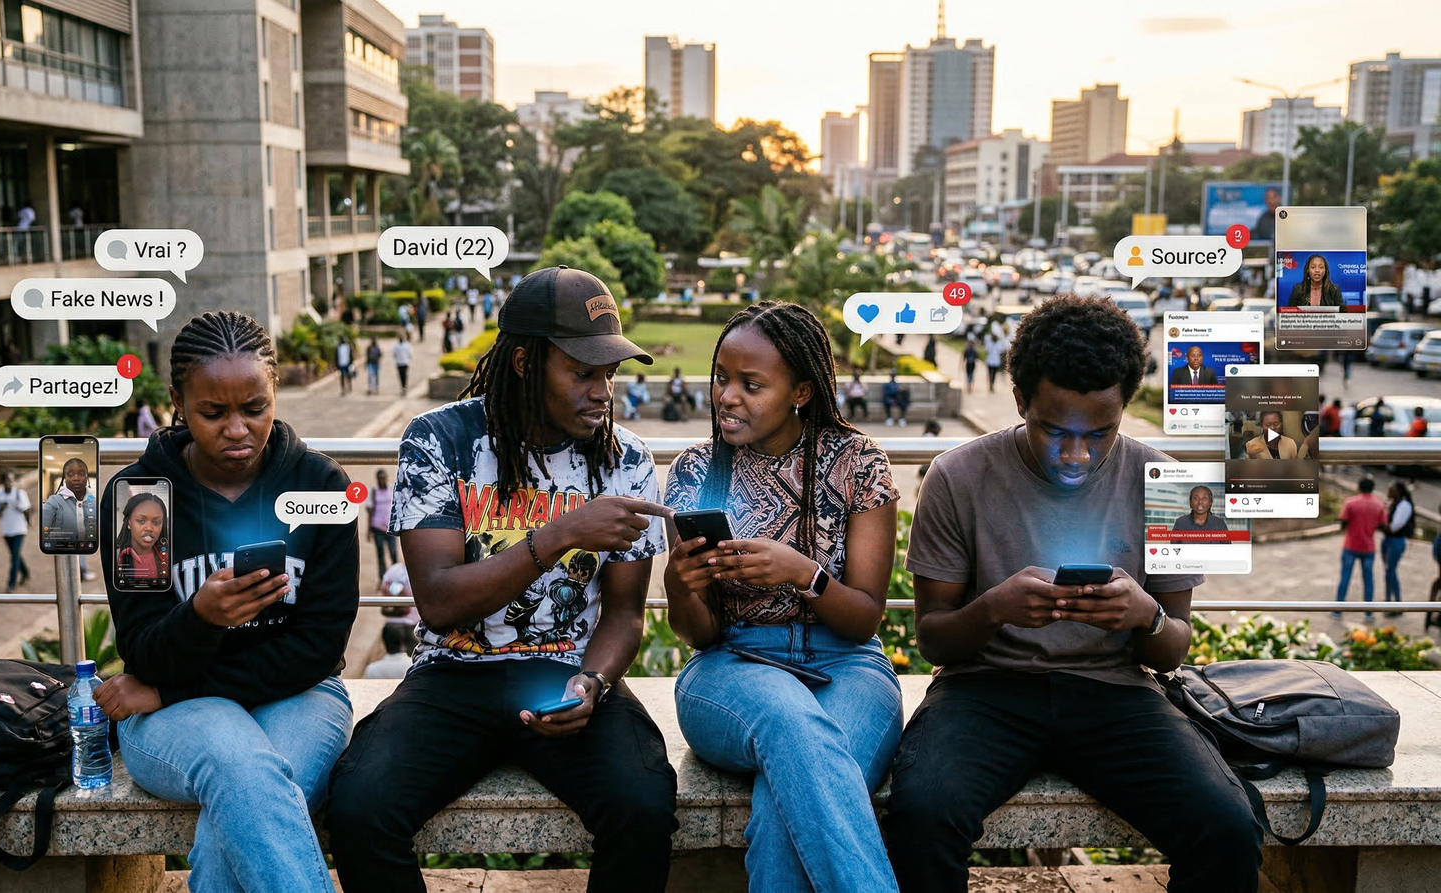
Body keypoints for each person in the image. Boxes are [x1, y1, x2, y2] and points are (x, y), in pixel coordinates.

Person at [883, 294, 1263, 893]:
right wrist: (994, 609)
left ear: (1125, 408)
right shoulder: (955, 474)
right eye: (1054, 431)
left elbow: (1175, 652)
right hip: (985, 690)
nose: (1077, 455)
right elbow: (933, 640)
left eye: (1101, 433)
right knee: (921, 813)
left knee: (1227, 825)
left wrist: (1147, 616)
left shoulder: (1175, 482)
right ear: (1019, 402)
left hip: (1116, 692)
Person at [327, 265, 679, 893]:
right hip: (453, 674)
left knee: (644, 802)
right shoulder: (441, 440)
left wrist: (592, 683)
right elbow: (437, 602)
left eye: (610, 373)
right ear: (523, 364)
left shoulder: (625, 458)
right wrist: (562, 533)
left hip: (566, 671)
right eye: (583, 372)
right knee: (359, 805)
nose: (605, 392)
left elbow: (625, 614)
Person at [92, 310, 359, 893]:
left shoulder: (320, 487)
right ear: (178, 404)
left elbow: (318, 647)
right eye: (213, 413)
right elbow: (142, 650)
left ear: (275, 394)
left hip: (300, 694)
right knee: (243, 769)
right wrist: (199, 618)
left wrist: (171, 688)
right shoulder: (140, 498)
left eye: (254, 408)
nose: (237, 429)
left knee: (239, 806)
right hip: (173, 716)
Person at [664, 301, 903, 892]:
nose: (727, 396)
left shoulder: (859, 464)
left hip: (848, 665)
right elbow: (701, 634)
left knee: (783, 808)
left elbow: (865, 617)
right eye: (721, 378)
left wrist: (806, 575)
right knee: (792, 721)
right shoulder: (697, 471)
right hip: (732, 666)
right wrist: (680, 585)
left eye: (751, 384)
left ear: (799, 391)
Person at [1335, 477, 1386, 621]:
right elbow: (1382, 524)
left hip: (1351, 545)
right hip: (1368, 547)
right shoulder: (1378, 505)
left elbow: (1343, 521)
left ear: (1358, 487)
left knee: (1345, 577)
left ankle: (1338, 609)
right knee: (1368, 580)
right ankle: (1368, 612)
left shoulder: (1351, 503)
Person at [41, 458, 98, 576]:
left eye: (81, 474)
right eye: (70, 474)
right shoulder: (54, 502)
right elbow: (45, 530)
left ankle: (82, 570)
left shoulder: (93, 501)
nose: (76, 478)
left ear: (87, 477)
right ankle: (81, 571)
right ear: (64, 478)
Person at [113, 492, 169, 582]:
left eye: (156, 522)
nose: (149, 528)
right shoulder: (116, 558)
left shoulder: (168, 559)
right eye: (141, 521)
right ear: (129, 523)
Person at [0, 472, 32, 593]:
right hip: (7, 529)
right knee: (15, 554)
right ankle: (25, 572)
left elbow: (26, 509)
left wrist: (29, 523)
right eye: (6, 481)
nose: (9, 484)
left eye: (11, 481)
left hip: (19, 529)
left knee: (14, 555)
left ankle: (11, 583)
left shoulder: (20, 494)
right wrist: (3, 507)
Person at [1381, 481, 1415, 615]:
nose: (1388, 492)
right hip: (1388, 540)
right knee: (1389, 572)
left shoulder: (1404, 506)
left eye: (1391, 490)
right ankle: (1390, 601)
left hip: (1396, 541)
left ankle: (1395, 603)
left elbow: (1395, 526)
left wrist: (1382, 524)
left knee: (1390, 572)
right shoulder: (1392, 503)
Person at [367, 469, 398, 576]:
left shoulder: (391, 489)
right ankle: (383, 579)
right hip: (377, 528)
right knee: (380, 554)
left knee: (393, 553)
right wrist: (369, 530)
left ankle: (396, 578)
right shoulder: (373, 491)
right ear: (377, 479)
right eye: (380, 479)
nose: (382, 481)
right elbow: (370, 512)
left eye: (384, 478)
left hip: (390, 527)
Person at [983, 325, 1007, 391]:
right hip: (990, 361)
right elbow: (987, 350)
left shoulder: (998, 344)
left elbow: (1001, 349)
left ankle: (992, 384)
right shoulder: (989, 344)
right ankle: (990, 384)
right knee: (990, 373)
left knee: (993, 373)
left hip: (995, 362)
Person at [392, 331, 413, 396]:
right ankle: (402, 387)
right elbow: (394, 354)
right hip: (399, 362)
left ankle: (405, 387)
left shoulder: (407, 345)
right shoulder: (396, 346)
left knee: (405, 375)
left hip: (405, 362)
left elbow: (410, 353)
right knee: (400, 375)